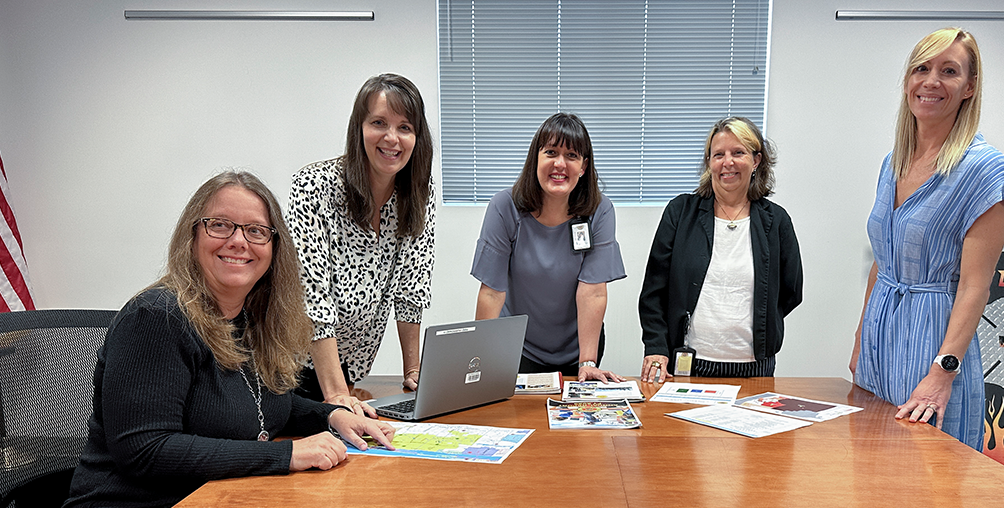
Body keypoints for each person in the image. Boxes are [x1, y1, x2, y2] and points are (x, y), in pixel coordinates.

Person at [64, 171, 395, 508]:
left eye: (256, 231)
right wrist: (285, 454)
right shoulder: (156, 317)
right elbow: (146, 450)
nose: (239, 241)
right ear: (192, 236)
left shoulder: (249, 318)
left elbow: (263, 404)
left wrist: (330, 416)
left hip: (218, 496)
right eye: (220, 225)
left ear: (273, 249)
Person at [849, 27, 1004, 450]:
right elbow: (882, 261)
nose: (931, 81)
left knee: (925, 473)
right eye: (921, 68)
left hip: (933, 341)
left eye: (949, 71)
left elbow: (975, 285)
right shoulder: (894, 162)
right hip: (879, 336)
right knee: (871, 469)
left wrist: (942, 373)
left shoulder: (984, 170)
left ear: (969, 87)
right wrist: (859, 341)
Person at [288, 73, 436, 412]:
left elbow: (412, 285)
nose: (391, 138)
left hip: (349, 367)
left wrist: (413, 372)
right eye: (379, 123)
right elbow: (312, 300)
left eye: (405, 127)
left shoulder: (417, 195)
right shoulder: (315, 186)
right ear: (359, 128)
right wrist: (337, 395)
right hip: (289, 365)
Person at [639, 117, 803, 382]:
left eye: (738, 153)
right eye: (718, 155)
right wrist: (656, 347)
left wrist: (760, 323)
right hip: (688, 364)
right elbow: (653, 292)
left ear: (756, 160)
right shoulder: (680, 213)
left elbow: (790, 291)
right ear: (709, 163)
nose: (728, 162)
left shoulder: (777, 222)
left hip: (754, 368)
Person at [472, 112, 626, 382]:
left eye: (572, 155)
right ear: (536, 159)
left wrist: (588, 360)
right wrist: (478, 360)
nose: (560, 164)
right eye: (551, 152)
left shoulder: (600, 211)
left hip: (580, 347)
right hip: (519, 347)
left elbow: (592, 292)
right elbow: (492, 292)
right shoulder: (504, 207)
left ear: (583, 167)